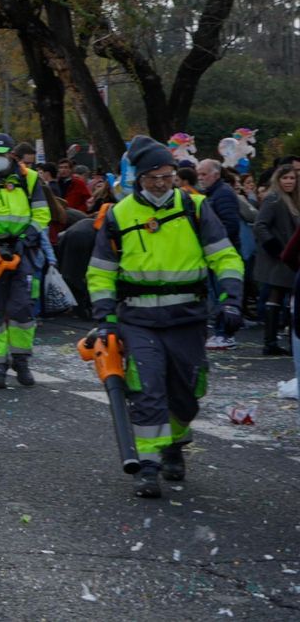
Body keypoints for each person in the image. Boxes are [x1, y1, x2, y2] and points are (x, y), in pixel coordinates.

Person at [88, 137, 244, 498]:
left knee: (187, 393)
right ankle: (149, 466)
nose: (161, 183)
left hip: (186, 318)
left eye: (167, 176)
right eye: (153, 177)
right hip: (138, 320)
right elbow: (100, 273)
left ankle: (173, 441)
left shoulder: (196, 208)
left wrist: (231, 299)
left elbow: (225, 257)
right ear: (139, 178)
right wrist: (105, 318)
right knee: (146, 390)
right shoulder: (119, 215)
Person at [0, 133, 50, 388]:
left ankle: (21, 360)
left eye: (1, 155)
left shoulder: (30, 179)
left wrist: (28, 236)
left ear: (12, 155)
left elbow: (41, 213)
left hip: (22, 250)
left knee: (22, 309)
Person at [197, 159, 246, 348]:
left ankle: (224, 333)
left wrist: (213, 242)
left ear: (216, 175)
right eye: (199, 174)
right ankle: (221, 332)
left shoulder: (223, 194)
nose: (200, 178)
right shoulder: (211, 194)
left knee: (223, 294)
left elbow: (230, 225)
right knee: (217, 293)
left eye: (204, 174)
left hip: (223, 252)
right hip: (215, 252)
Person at [253, 167, 299, 356]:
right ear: (277, 180)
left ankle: (277, 341)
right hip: (279, 256)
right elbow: (260, 225)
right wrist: (275, 248)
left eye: (292, 178)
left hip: (288, 256)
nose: (289, 181)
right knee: (278, 296)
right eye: (285, 178)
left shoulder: (293, 200)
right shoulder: (274, 198)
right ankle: (271, 341)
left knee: (281, 298)